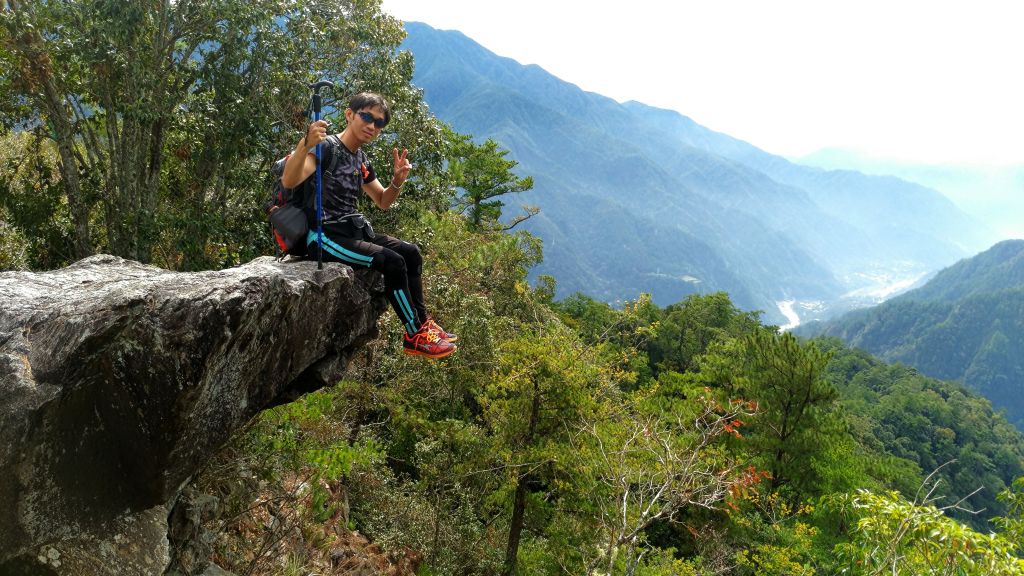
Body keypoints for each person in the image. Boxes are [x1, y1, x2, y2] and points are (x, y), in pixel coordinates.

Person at [281, 92, 457, 359]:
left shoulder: (360, 159)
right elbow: (289, 180)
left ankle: (423, 324)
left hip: (351, 232)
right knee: (393, 262)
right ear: (349, 115)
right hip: (324, 237)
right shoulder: (326, 147)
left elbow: (383, 200)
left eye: (379, 123)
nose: (372, 126)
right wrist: (304, 145)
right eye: (366, 117)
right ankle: (414, 335)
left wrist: (397, 181)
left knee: (410, 252)